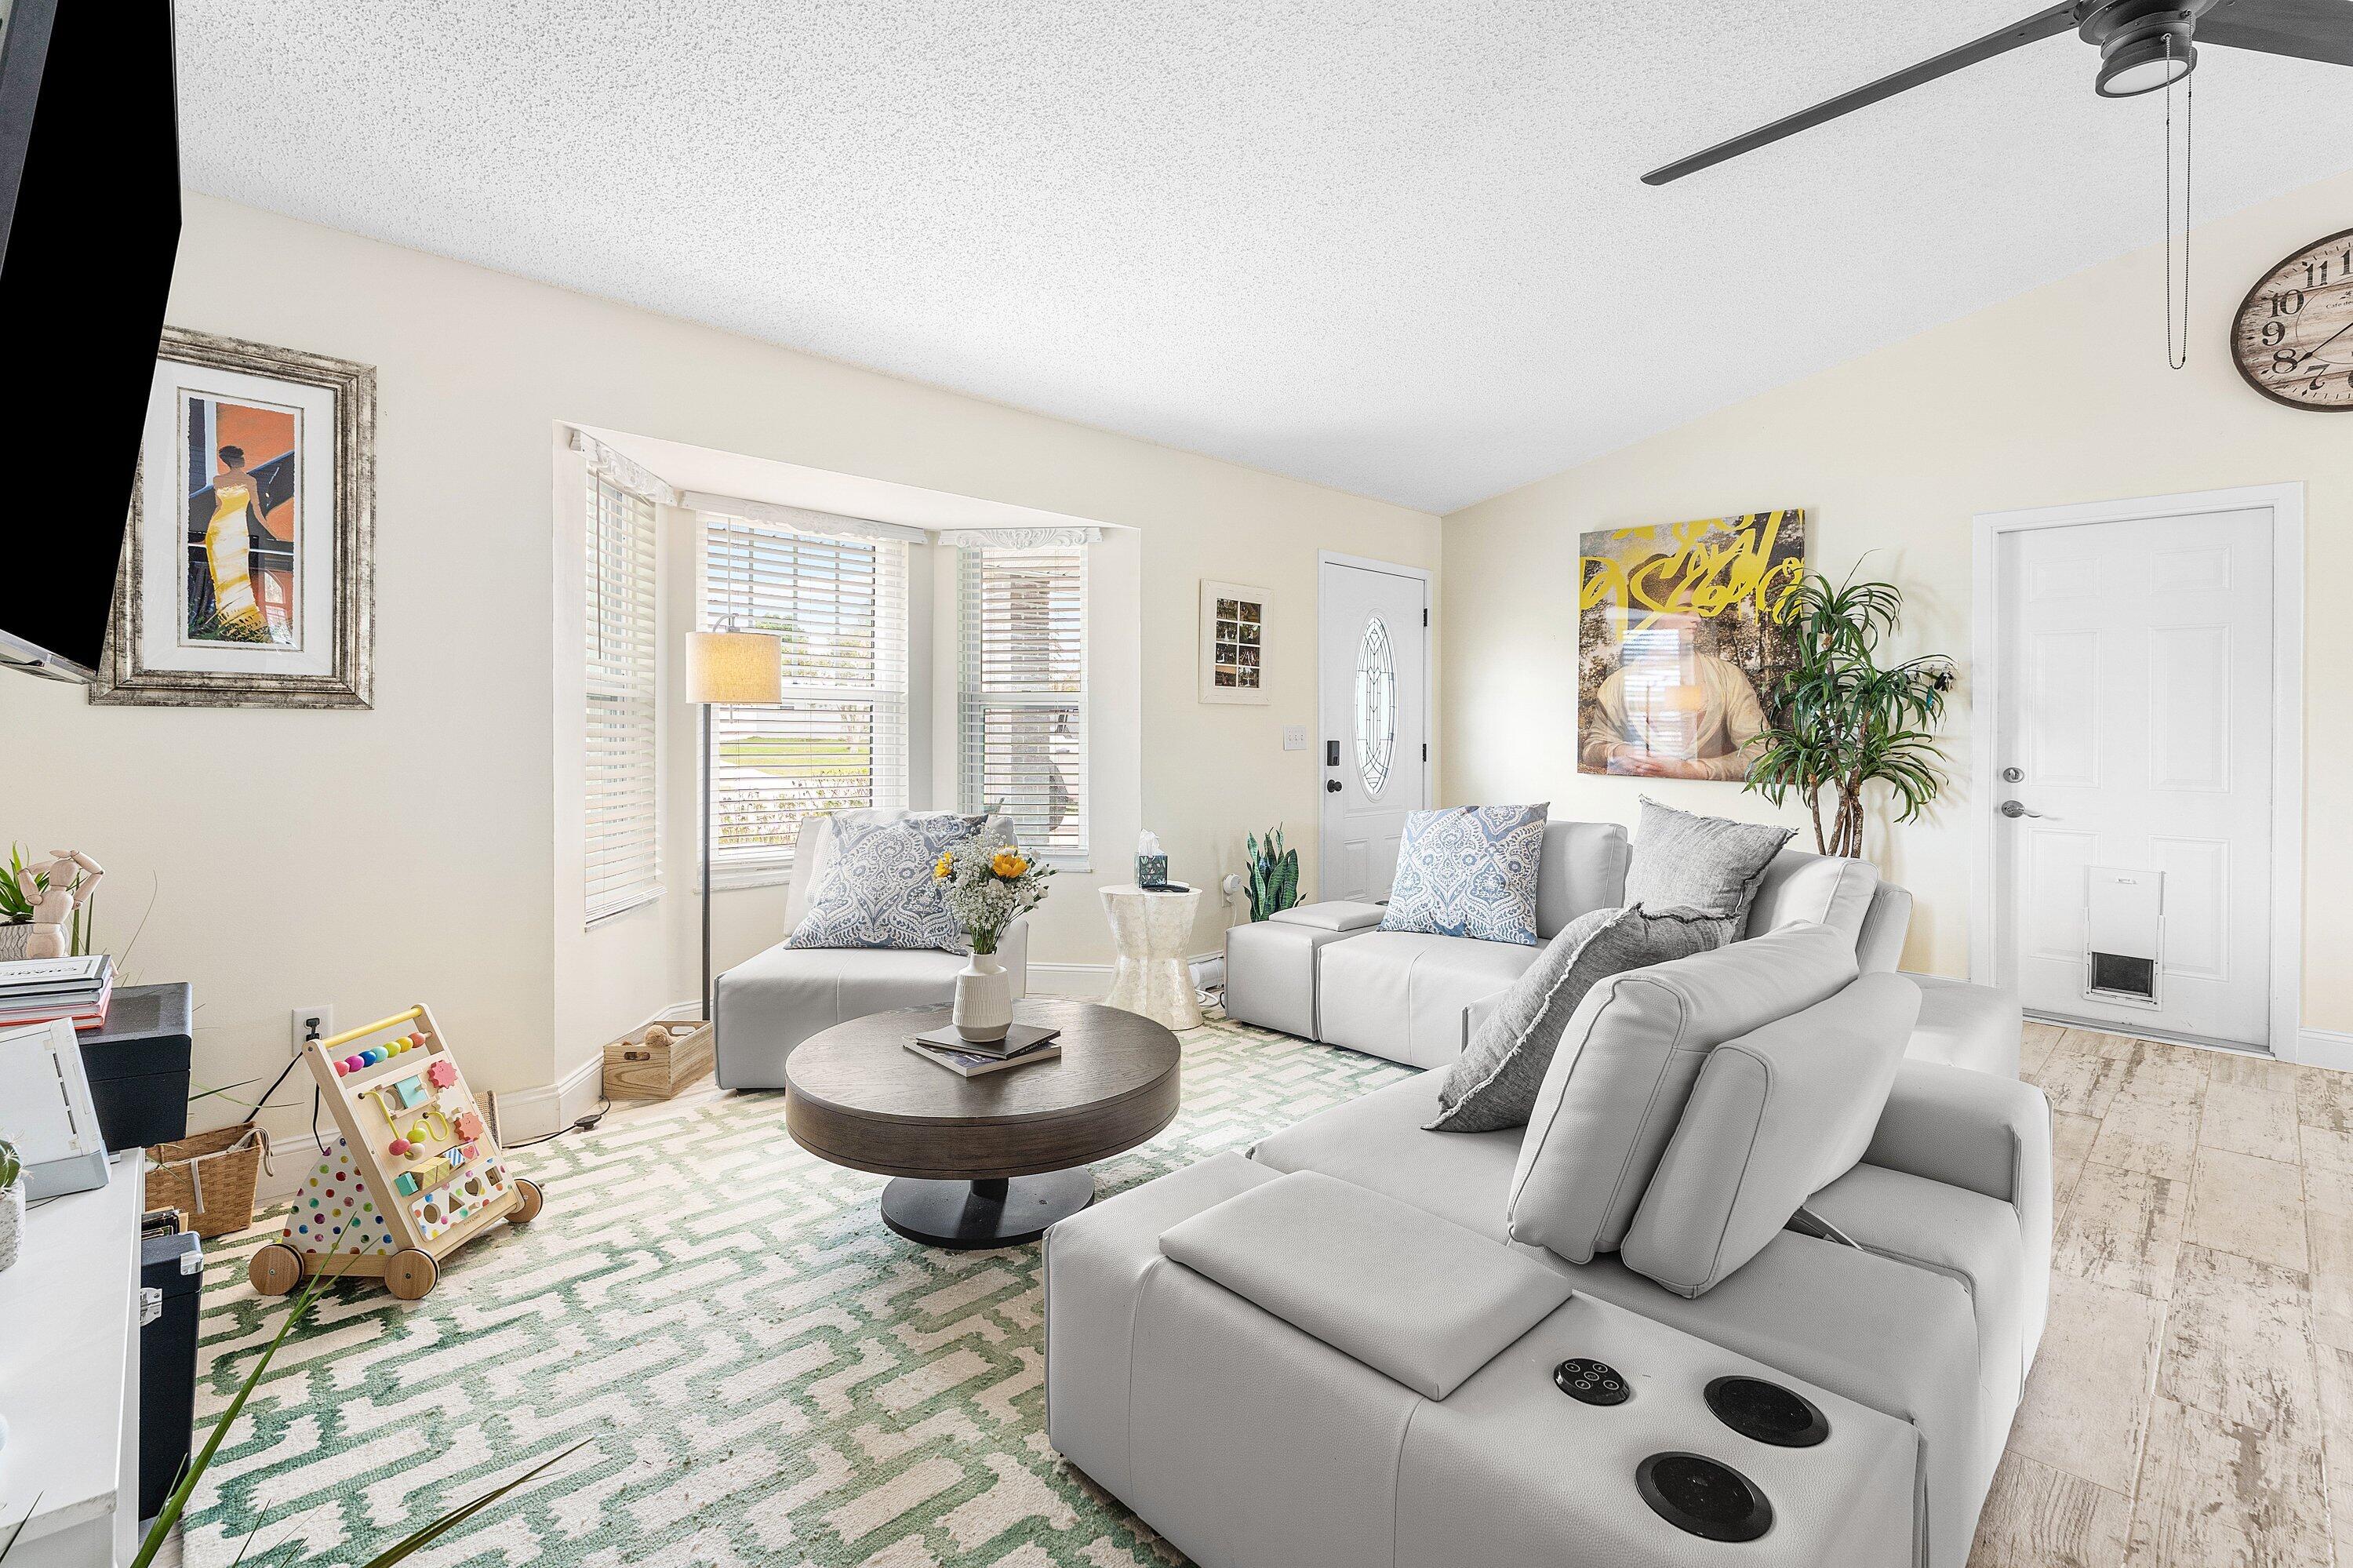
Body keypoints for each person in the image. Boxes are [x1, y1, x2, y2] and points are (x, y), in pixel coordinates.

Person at [1580, 612, 1768, 780]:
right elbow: (1593, 747)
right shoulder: (1617, 683)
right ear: (1651, 618)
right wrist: (1617, 752)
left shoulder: (1728, 677)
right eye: (1683, 609)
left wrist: (1693, 770)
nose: (1697, 618)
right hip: (1637, 795)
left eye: (1697, 609)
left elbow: (1764, 754)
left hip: (1718, 802)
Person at [201, 445, 271, 635]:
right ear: (235, 460)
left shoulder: (249, 480)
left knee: (238, 574)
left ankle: (241, 620)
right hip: (218, 531)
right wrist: (207, 533)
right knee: (221, 576)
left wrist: (271, 532)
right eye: (242, 456)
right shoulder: (221, 480)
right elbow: (218, 507)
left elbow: (257, 511)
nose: (244, 459)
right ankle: (225, 618)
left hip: (238, 532)